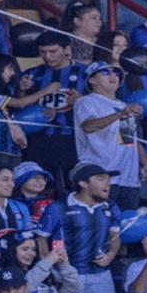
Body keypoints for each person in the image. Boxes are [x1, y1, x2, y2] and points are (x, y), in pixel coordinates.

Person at [36, 163, 121, 293]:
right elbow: (41, 238)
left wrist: (111, 254)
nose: (108, 184)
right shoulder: (58, 207)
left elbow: (115, 236)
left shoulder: (111, 207)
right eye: (101, 179)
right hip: (67, 274)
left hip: (101, 274)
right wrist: (49, 269)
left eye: (108, 180)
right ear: (82, 183)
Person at [74, 61, 147, 210]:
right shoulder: (86, 101)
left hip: (128, 178)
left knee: (127, 220)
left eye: (116, 73)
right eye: (105, 72)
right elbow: (88, 126)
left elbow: (127, 138)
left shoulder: (123, 105)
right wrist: (120, 114)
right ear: (92, 79)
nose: (113, 76)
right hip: (101, 175)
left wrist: (144, 160)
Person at [21, 31, 90, 192]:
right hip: (39, 139)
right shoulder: (32, 74)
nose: (48, 57)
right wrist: (22, 90)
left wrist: (82, 101)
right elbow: (21, 107)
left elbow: (101, 102)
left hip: (74, 138)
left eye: (53, 51)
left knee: (75, 184)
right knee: (41, 185)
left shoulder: (86, 73)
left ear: (67, 49)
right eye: (43, 52)